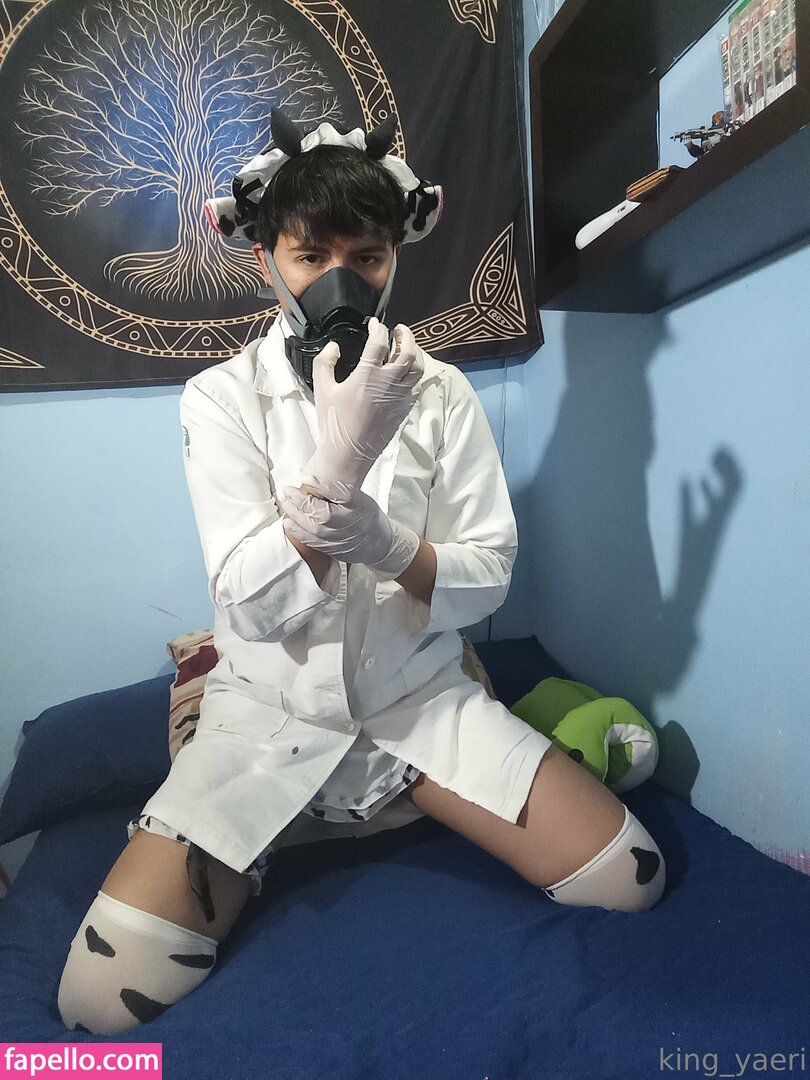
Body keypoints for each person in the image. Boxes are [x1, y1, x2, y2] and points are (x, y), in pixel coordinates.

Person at [57, 110, 665, 1035]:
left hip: (417, 702)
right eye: (310, 256)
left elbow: (488, 574)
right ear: (266, 258)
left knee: (631, 880)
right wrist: (338, 470)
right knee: (100, 1005)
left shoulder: (443, 392)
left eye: (368, 257)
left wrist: (387, 544)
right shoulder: (220, 398)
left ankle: (392, 793)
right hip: (270, 717)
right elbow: (247, 605)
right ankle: (248, 788)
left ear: (394, 258)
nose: (341, 280)